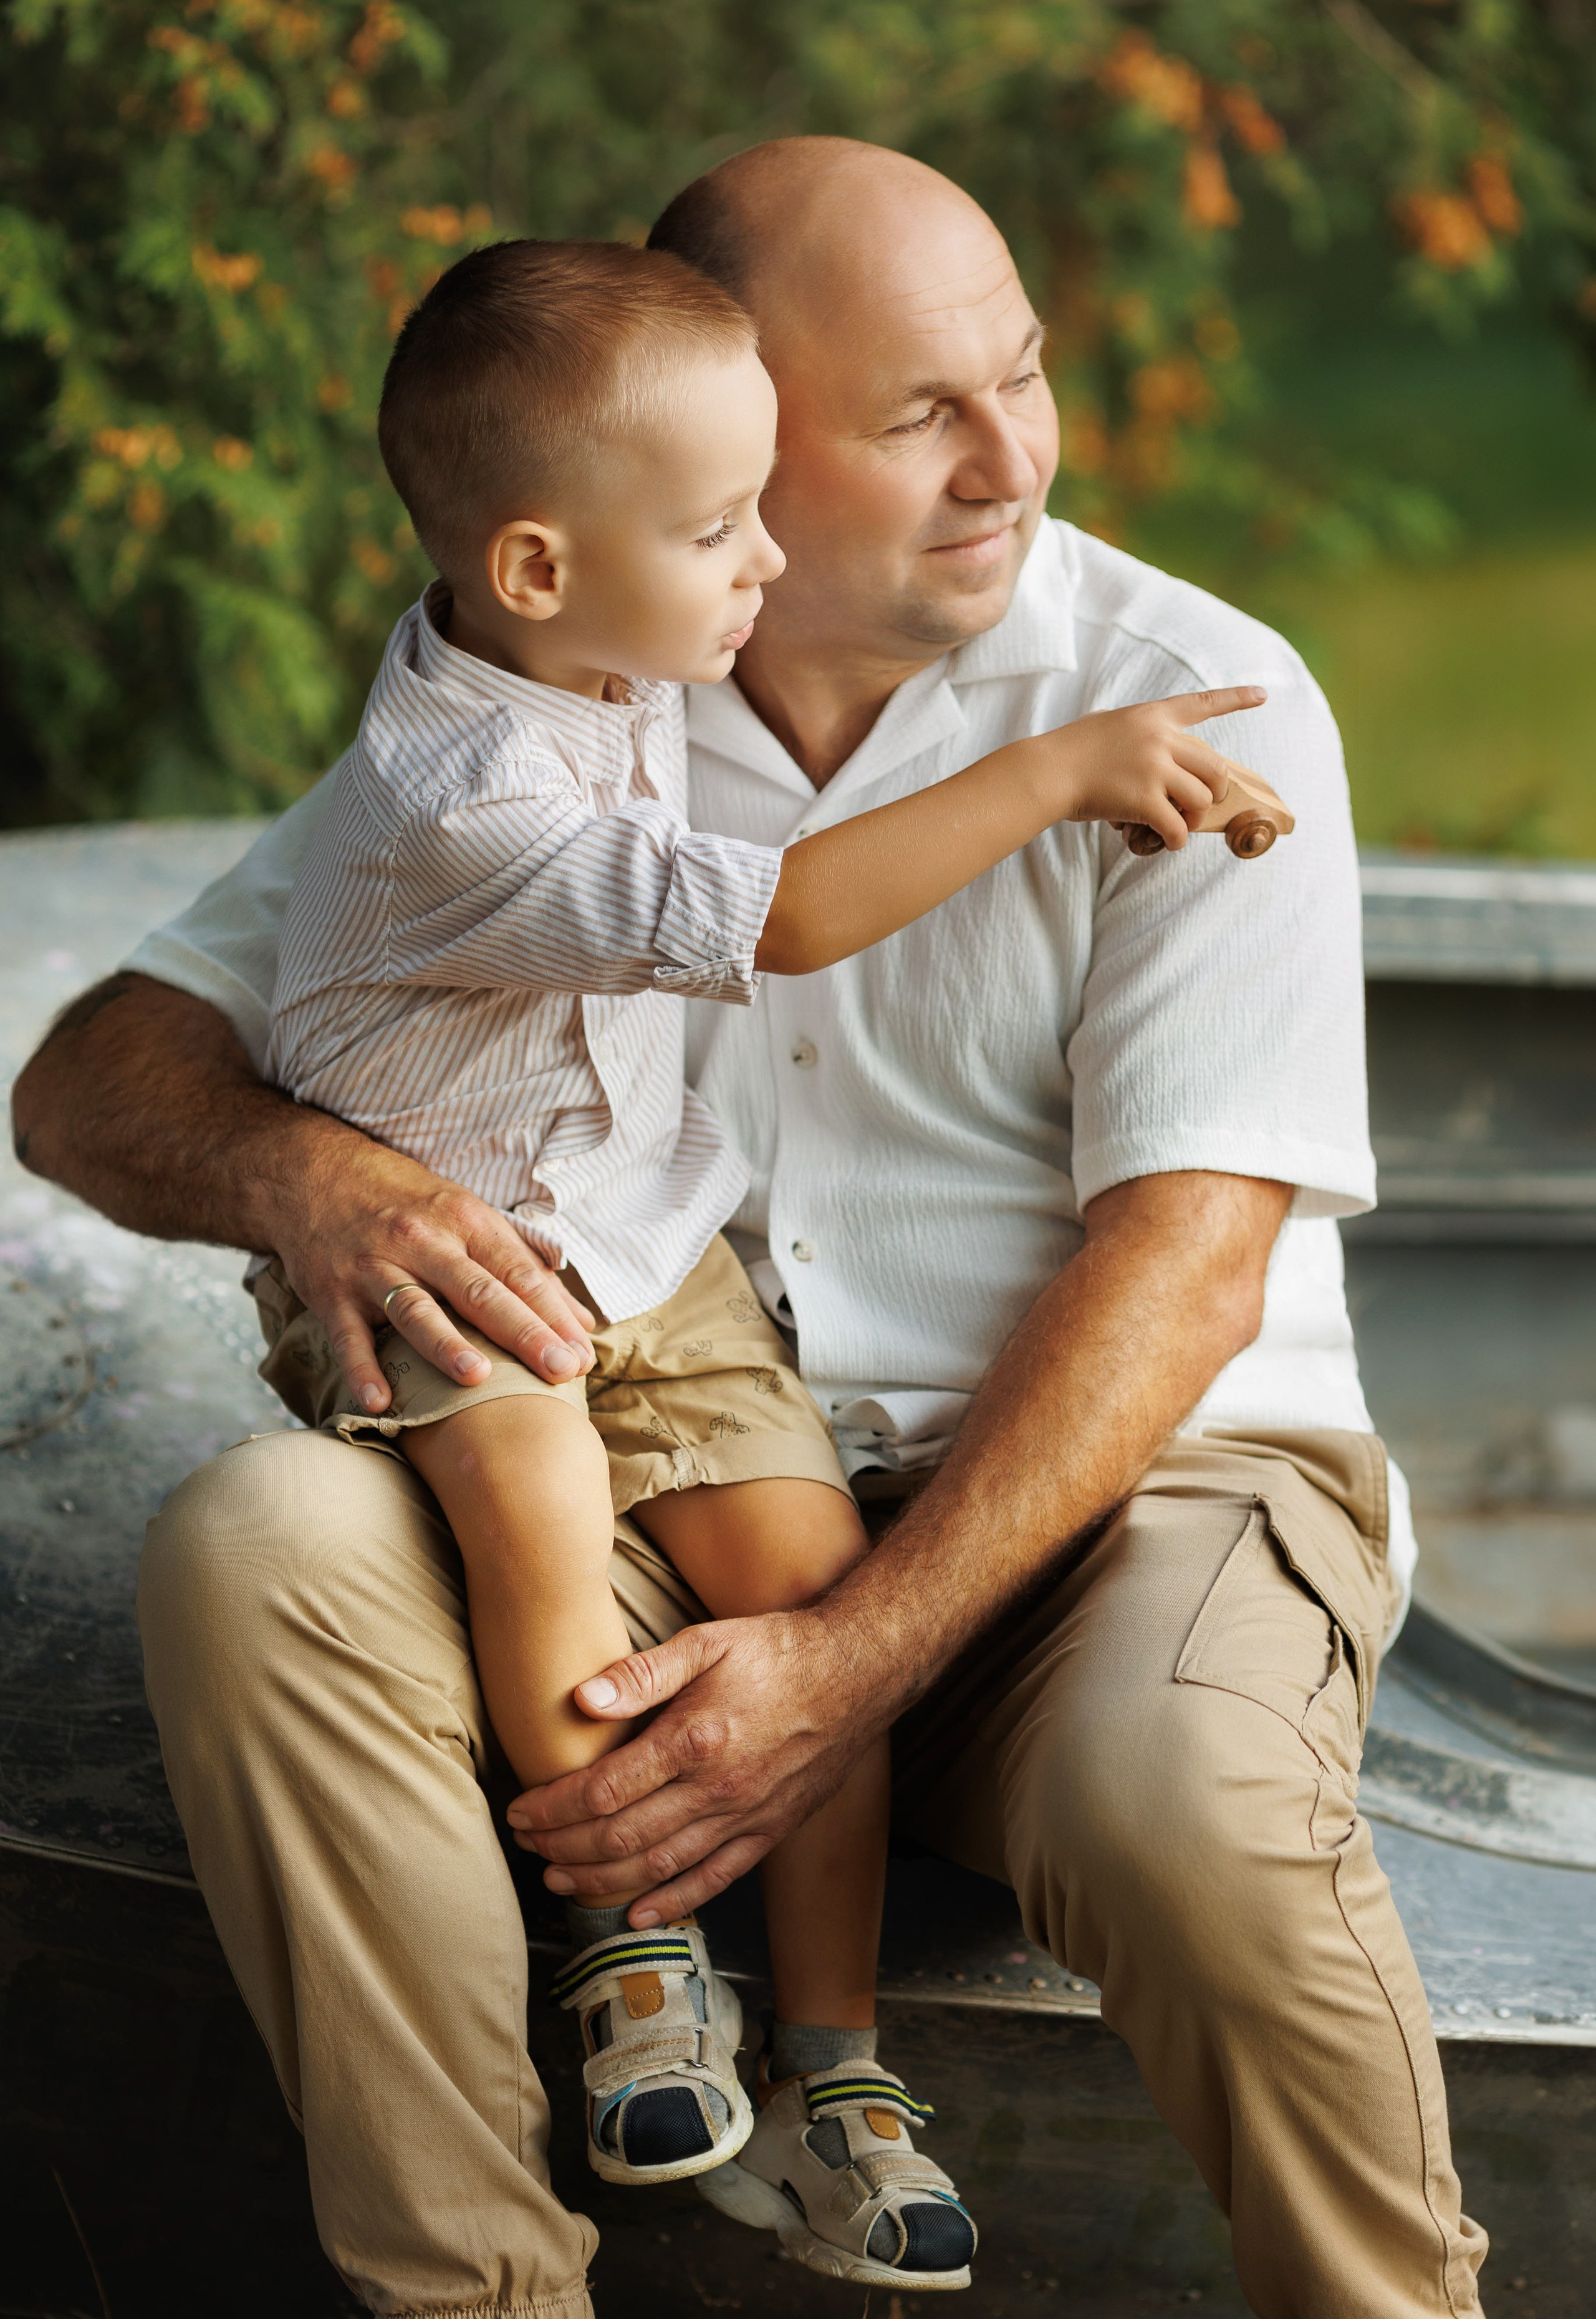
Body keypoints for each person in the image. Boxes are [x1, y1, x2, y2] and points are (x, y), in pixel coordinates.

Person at [11, 138, 1488, 2319]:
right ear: (719, 440)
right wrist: (309, 1170)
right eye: (922, 416)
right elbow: (93, 1077)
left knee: (1186, 1791)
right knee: (257, 1550)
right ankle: (483, 2297)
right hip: (660, 1473)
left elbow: (1186, 1268)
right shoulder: (558, 685)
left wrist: (841, 1664)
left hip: (1126, 1497)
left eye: (1027, 376)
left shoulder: (1191, 703)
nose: (1016, 460)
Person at [256, 228, 1247, 2285]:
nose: (767, 566)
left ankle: (836, 2064)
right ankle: (628, 1947)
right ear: (537, 569)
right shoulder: (465, 797)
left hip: (634, 1218)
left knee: (813, 1590)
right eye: (720, 527)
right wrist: (1059, 771)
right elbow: (785, 916)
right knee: (537, 1515)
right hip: (456, 1250)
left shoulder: (581, 641)